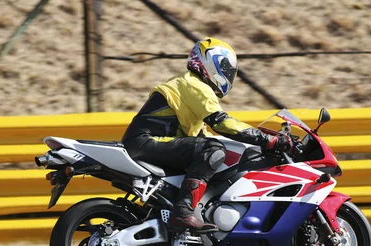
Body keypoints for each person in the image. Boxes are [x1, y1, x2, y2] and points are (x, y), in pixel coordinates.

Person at [122, 37, 290, 233]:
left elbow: (202, 135)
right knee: (213, 150)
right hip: (146, 142)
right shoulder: (195, 85)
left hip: (148, 143)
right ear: (212, 62)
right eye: (226, 68)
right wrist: (266, 139)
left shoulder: (188, 84)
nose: (228, 75)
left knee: (211, 148)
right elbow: (222, 123)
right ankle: (184, 211)